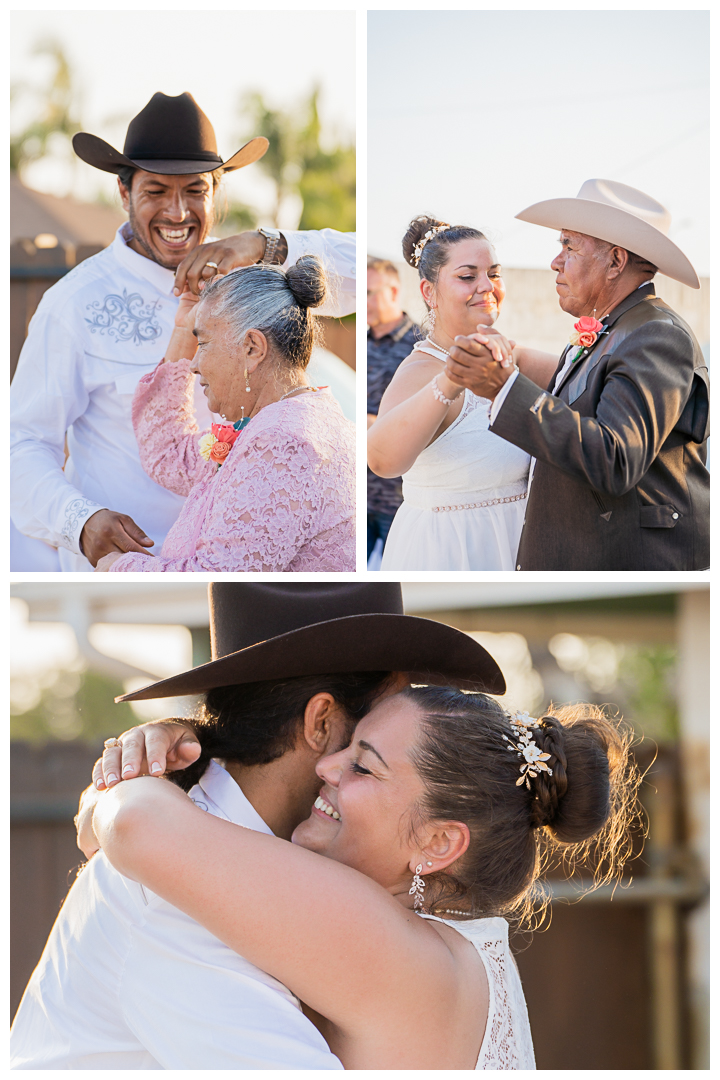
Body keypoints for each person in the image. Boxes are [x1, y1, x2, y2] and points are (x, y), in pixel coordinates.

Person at [10, 582, 506, 1069]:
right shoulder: (169, 896)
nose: (405, 720)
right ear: (321, 723)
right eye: (378, 725)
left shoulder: (238, 864)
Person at [81, 689, 637, 1069]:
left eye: (363, 766)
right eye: (346, 746)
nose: (327, 767)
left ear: (438, 843)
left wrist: (114, 786)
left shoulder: (392, 947)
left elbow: (135, 824)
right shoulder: (462, 959)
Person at [10, 91, 356, 570]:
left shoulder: (253, 274)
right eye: (156, 192)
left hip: (258, 556)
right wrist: (79, 521)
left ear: (217, 194)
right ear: (124, 192)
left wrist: (265, 244)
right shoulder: (72, 303)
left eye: (195, 190)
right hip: (125, 572)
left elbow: (367, 272)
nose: (177, 212)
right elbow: (22, 442)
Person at [445, 180, 710, 571]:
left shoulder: (656, 333)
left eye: (568, 246)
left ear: (616, 261)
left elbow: (615, 459)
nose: (555, 261)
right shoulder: (619, 327)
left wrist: (505, 389)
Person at [95, 257, 355, 572]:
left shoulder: (281, 444)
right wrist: (183, 332)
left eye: (202, 343)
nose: (193, 363)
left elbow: (221, 573)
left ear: (253, 348)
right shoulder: (280, 422)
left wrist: (118, 567)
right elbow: (169, 454)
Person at [367, 217, 557, 570]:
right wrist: (451, 380)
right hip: (452, 551)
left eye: (494, 274)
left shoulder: (511, 355)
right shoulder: (421, 371)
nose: (486, 286)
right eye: (468, 277)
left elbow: (585, 377)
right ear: (428, 292)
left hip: (516, 543)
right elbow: (381, 460)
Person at [366, 257, 421, 565]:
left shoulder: (421, 346)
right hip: (360, 494)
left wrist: (375, 425)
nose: (366, 302)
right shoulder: (361, 341)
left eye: (372, 292)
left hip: (398, 498)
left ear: (395, 291)